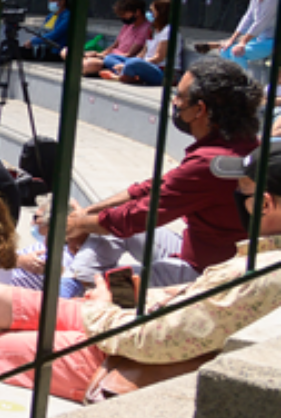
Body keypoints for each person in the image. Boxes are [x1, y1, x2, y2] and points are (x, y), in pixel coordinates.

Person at [0, 143, 281, 413]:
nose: (240, 201)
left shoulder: (257, 272)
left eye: (245, 194)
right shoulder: (258, 259)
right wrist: (159, 292)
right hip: (115, 311)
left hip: (114, 332)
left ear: (267, 204)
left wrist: (103, 305)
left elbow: (164, 339)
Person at [62, 57, 261, 282]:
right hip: (196, 250)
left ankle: (68, 287)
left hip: (205, 275)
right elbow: (154, 187)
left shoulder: (210, 163)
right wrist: (87, 214)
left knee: (102, 279)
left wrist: (74, 224)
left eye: (180, 96)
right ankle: (72, 276)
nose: (175, 102)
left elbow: (137, 217)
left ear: (200, 109)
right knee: (102, 229)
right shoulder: (244, 144)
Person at [199, 0, 280, 69]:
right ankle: (232, 80)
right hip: (260, 38)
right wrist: (232, 39)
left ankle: (243, 84)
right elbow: (248, 16)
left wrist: (243, 42)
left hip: (273, 40)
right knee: (225, 50)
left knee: (237, 52)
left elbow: (262, 21)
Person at [101, 0, 175, 87]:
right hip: (145, 64)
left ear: (161, 13)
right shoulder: (153, 30)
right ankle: (127, 74)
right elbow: (143, 53)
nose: (149, 14)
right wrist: (127, 63)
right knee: (109, 58)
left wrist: (127, 64)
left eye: (152, 11)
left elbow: (158, 57)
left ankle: (124, 75)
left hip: (160, 70)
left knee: (133, 63)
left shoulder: (168, 31)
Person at [79, 0, 153, 78]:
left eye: (124, 14)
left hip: (120, 60)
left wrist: (102, 56)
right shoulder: (127, 26)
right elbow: (115, 45)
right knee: (67, 51)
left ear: (137, 12)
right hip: (109, 56)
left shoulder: (146, 28)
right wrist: (100, 54)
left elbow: (129, 54)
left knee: (89, 64)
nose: (122, 17)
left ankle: (108, 70)